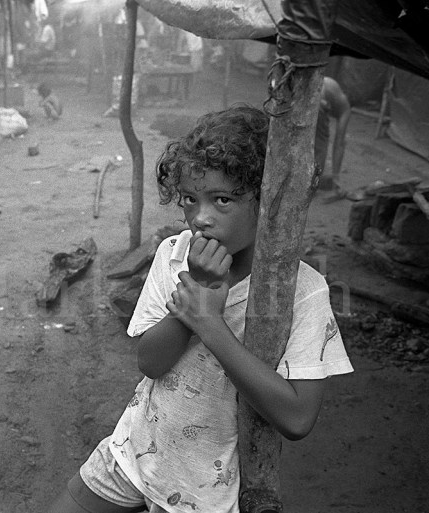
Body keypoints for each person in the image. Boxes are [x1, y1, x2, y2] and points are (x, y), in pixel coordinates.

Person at [48, 105, 354, 513]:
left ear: (267, 200)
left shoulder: (302, 292)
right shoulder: (174, 255)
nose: (200, 218)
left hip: (206, 493)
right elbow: (150, 362)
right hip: (136, 449)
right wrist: (198, 289)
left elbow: (297, 419)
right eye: (190, 199)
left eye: (222, 199)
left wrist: (210, 324)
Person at [315, 76, 351, 191]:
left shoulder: (332, 86)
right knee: (321, 143)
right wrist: (336, 177)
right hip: (317, 96)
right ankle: (311, 183)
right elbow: (339, 143)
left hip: (304, 90)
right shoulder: (345, 109)